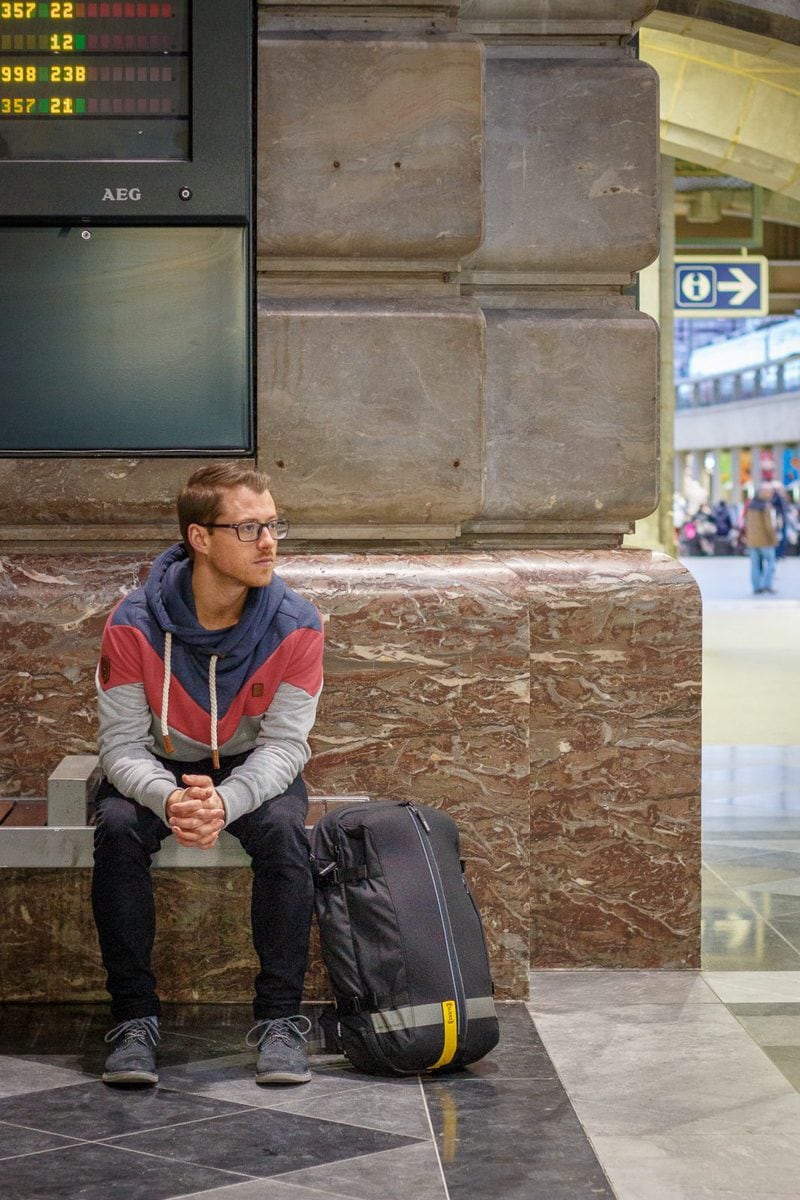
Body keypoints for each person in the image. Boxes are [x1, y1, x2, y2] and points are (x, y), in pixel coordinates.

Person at [91, 463, 324, 1087]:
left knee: (283, 832)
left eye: (273, 525)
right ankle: (133, 1020)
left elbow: (285, 745)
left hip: (252, 764)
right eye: (248, 528)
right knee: (115, 826)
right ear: (200, 538)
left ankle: (280, 1021)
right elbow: (118, 744)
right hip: (156, 763)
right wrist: (171, 799)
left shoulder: (298, 624)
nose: (269, 542)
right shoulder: (132, 622)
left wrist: (225, 801)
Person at [744, 483, 778, 594]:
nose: (772, 494)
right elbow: (769, 525)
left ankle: (756, 587)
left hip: (752, 540)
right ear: (764, 492)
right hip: (765, 541)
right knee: (771, 563)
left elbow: (746, 522)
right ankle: (767, 585)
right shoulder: (766, 506)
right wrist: (774, 539)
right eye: (770, 492)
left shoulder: (750, 505)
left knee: (755, 565)